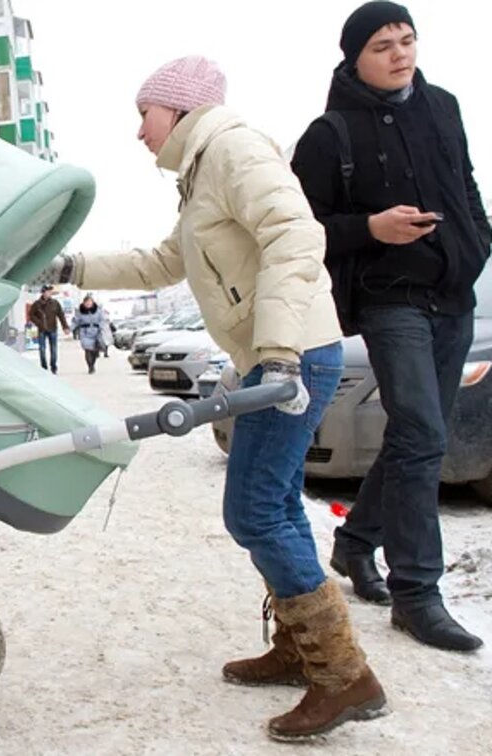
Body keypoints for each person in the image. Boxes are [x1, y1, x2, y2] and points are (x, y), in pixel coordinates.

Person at [45, 55, 387, 740]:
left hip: (293, 356)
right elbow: (158, 264)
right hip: (280, 355)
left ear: (176, 109)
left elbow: (296, 236)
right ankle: (303, 649)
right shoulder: (202, 175)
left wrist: (280, 351)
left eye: (144, 114)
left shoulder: (232, 148)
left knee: (255, 510)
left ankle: (344, 676)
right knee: (275, 504)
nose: (139, 132)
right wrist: (69, 266)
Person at [291, 1, 488, 652]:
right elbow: (301, 230)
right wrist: (371, 228)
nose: (400, 54)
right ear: (354, 57)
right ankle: (417, 592)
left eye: (407, 40)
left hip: (452, 293)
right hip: (390, 298)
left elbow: (464, 185)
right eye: (383, 45)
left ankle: (354, 544)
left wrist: (476, 242)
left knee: (413, 435)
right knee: (426, 433)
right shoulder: (330, 135)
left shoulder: (444, 107)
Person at [28, 285, 70, 373]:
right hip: (42, 330)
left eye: (50, 292)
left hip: (53, 329)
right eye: (47, 292)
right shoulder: (37, 304)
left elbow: (61, 315)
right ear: (43, 292)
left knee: (53, 349)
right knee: (42, 349)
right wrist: (39, 323)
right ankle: (44, 367)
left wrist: (65, 327)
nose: (49, 293)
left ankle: (53, 366)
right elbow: (31, 315)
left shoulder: (55, 303)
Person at [70, 295, 106, 373]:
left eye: (90, 302)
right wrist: (70, 328)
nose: (88, 304)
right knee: (88, 350)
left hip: (96, 332)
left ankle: (93, 364)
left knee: (94, 351)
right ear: (84, 303)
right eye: (87, 302)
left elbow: (102, 320)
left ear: (93, 302)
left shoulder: (98, 311)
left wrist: (102, 328)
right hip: (85, 332)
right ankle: (90, 367)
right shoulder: (80, 312)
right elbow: (75, 321)